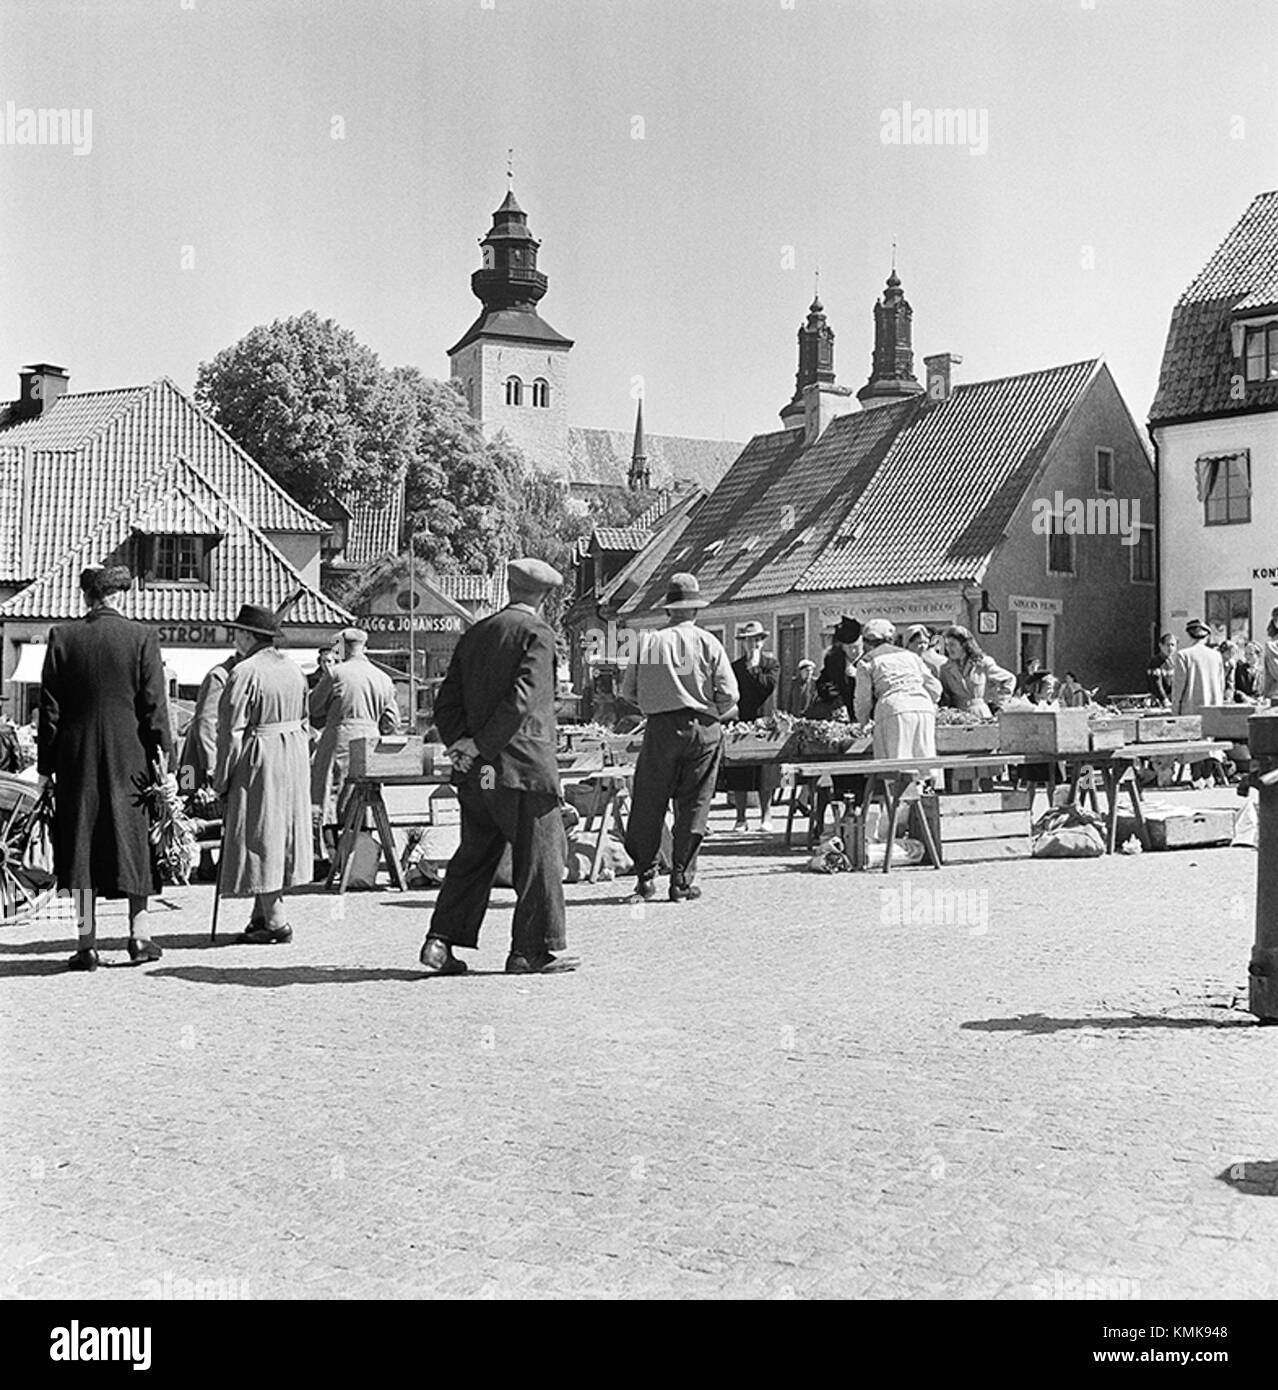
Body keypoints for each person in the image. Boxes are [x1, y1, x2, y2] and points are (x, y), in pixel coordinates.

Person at [418, 558, 571, 976]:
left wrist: (464, 746)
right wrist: (482, 744)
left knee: (475, 855)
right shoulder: (538, 634)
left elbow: (445, 702)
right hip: (523, 768)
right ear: (544, 596)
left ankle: (440, 941)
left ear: (508, 587)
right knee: (539, 858)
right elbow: (523, 700)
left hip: (481, 773)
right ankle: (530, 950)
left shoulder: (477, 633)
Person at [37, 564, 172, 970]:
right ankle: (139, 936)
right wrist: (164, 761)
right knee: (132, 843)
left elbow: (49, 711)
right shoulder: (142, 637)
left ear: (87, 598)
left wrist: (47, 766)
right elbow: (154, 708)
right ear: (121, 597)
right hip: (129, 757)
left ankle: (86, 945)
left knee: (80, 846)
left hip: (76, 759)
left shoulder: (63, 637)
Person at [619, 571, 739, 903]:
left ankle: (645, 877)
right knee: (694, 804)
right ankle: (682, 881)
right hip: (703, 727)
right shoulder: (708, 642)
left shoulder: (649, 642)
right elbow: (730, 694)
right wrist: (708, 706)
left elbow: (628, 692)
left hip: (660, 729)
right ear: (695, 610)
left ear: (669, 609)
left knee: (649, 801)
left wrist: (656, 702)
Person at [214, 605, 313, 944]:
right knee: (280, 835)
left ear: (246, 635)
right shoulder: (295, 670)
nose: (234, 638)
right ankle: (261, 914)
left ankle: (276, 921)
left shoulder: (244, 672)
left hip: (260, 757)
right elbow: (307, 720)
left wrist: (222, 779)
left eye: (237, 632)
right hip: (293, 757)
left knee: (258, 836)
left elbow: (232, 731)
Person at [309, 627, 399, 833]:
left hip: (338, 742)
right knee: (364, 800)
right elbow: (392, 722)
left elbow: (313, 707)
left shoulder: (336, 673)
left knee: (329, 800)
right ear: (363, 648)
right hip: (369, 747)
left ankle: (330, 857)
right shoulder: (383, 678)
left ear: (343, 647)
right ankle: (361, 854)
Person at [854, 619, 941, 760]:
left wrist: (863, 722)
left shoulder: (867, 661)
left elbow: (863, 699)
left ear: (867, 642)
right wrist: (930, 703)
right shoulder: (910, 656)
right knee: (925, 762)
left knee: (897, 766)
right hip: (923, 707)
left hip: (893, 708)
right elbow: (935, 687)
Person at [724, 621, 780, 832]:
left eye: (757, 639)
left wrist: (755, 667)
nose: (753, 643)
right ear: (743, 643)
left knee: (765, 770)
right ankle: (740, 818)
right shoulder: (735, 667)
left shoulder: (771, 665)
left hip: (764, 721)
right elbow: (733, 691)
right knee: (739, 769)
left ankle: (766, 816)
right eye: (749, 640)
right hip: (742, 722)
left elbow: (765, 687)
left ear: (762, 641)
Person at [179, 652, 239, 795]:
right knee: (189, 797)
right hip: (199, 761)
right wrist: (211, 767)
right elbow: (205, 721)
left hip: (206, 759)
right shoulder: (220, 677)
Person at [938, 626, 1015, 716]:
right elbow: (946, 696)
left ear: (964, 645)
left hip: (981, 714)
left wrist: (999, 704)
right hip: (958, 716)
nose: (948, 649)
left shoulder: (982, 664)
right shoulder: (945, 669)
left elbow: (1009, 679)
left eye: (952, 645)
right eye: (946, 645)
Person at [809, 616, 861, 719]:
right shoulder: (834, 660)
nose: (853, 652)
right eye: (849, 648)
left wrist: (857, 676)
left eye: (856, 647)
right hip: (841, 716)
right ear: (842, 647)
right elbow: (822, 681)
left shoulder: (870, 660)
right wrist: (826, 690)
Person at [1171, 619, 1225, 715]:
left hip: (1190, 711)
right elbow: (1221, 685)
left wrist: (1175, 711)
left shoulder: (1183, 655)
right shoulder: (1216, 656)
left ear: (1188, 635)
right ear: (1207, 636)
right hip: (1214, 710)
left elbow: (1178, 687)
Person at [1147, 633, 1177, 706]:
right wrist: (1164, 699)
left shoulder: (1172, 662)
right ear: (1161, 645)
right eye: (1167, 645)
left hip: (1171, 700)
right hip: (1159, 701)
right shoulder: (1155, 662)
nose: (1170, 648)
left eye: (1173, 645)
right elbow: (1156, 683)